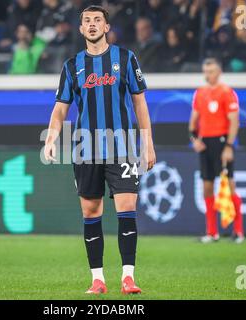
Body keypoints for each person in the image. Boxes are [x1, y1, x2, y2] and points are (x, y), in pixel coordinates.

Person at [44, 5, 156, 294]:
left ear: (106, 27)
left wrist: (148, 143)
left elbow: (139, 103)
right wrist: (51, 137)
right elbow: (59, 110)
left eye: (97, 20)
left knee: (127, 206)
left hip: (123, 145)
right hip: (86, 147)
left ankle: (128, 277)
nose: (92, 25)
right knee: (91, 211)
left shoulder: (126, 58)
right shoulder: (72, 66)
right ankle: (98, 279)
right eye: (86, 21)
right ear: (81, 29)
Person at [189, 58, 244, 244]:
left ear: (219, 71)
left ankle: (238, 231)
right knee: (207, 187)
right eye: (206, 71)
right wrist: (194, 140)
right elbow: (193, 122)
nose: (208, 75)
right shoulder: (200, 93)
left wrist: (229, 146)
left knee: (229, 185)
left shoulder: (227, 92)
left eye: (211, 71)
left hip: (222, 142)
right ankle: (212, 232)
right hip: (205, 143)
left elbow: (234, 121)